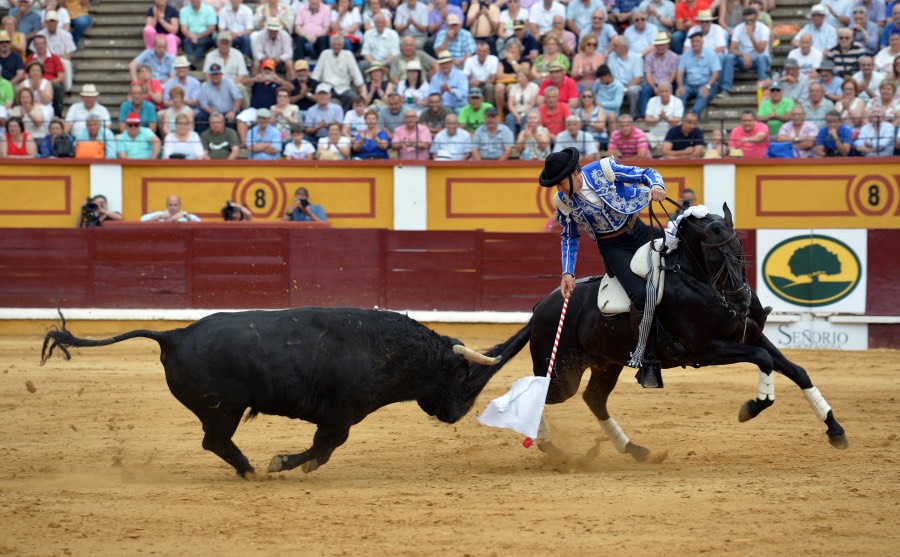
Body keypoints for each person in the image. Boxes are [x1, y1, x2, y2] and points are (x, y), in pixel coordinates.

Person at [537, 147, 667, 387]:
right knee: (639, 294)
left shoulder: (603, 170)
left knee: (682, 261)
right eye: (555, 186)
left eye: (560, 183)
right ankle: (647, 360)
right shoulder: (563, 201)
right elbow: (569, 237)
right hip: (614, 248)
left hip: (639, 231)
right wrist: (568, 271)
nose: (559, 189)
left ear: (575, 174)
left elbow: (645, 173)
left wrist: (657, 186)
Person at [677, 30, 720, 117]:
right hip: (689, 85)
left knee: (703, 94)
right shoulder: (686, 55)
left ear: (702, 42)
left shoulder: (710, 54)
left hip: (705, 84)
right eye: (693, 41)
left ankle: (692, 115)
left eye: (697, 41)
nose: (695, 43)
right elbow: (679, 72)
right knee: (680, 93)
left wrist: (708, 86)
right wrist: (680, 86)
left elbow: (716, 72)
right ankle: (679, 117)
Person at [727, 7, 770, 84]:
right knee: (729, 57)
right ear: (744, 20)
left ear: (756, 19)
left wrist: (751, 36)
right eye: (747, 21)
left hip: (759, 60)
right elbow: (731, 49)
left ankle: (763, 87)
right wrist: (743, 55)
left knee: (761, 58)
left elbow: (760, 50)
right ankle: (725, 88)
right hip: (743, 61)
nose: (749, 23)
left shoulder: (764, 29)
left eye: (752, 20)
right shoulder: (738, 28)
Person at [179, 0, 216, 69]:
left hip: (205, 36)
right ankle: (194, 60)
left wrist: (198, 36)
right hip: (190, 36)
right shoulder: (183, 11)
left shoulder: (209, 9)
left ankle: (191, 62)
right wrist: (192, 36)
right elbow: (183, 29)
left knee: (202, 42)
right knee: (186, 41)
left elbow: (211, 28)